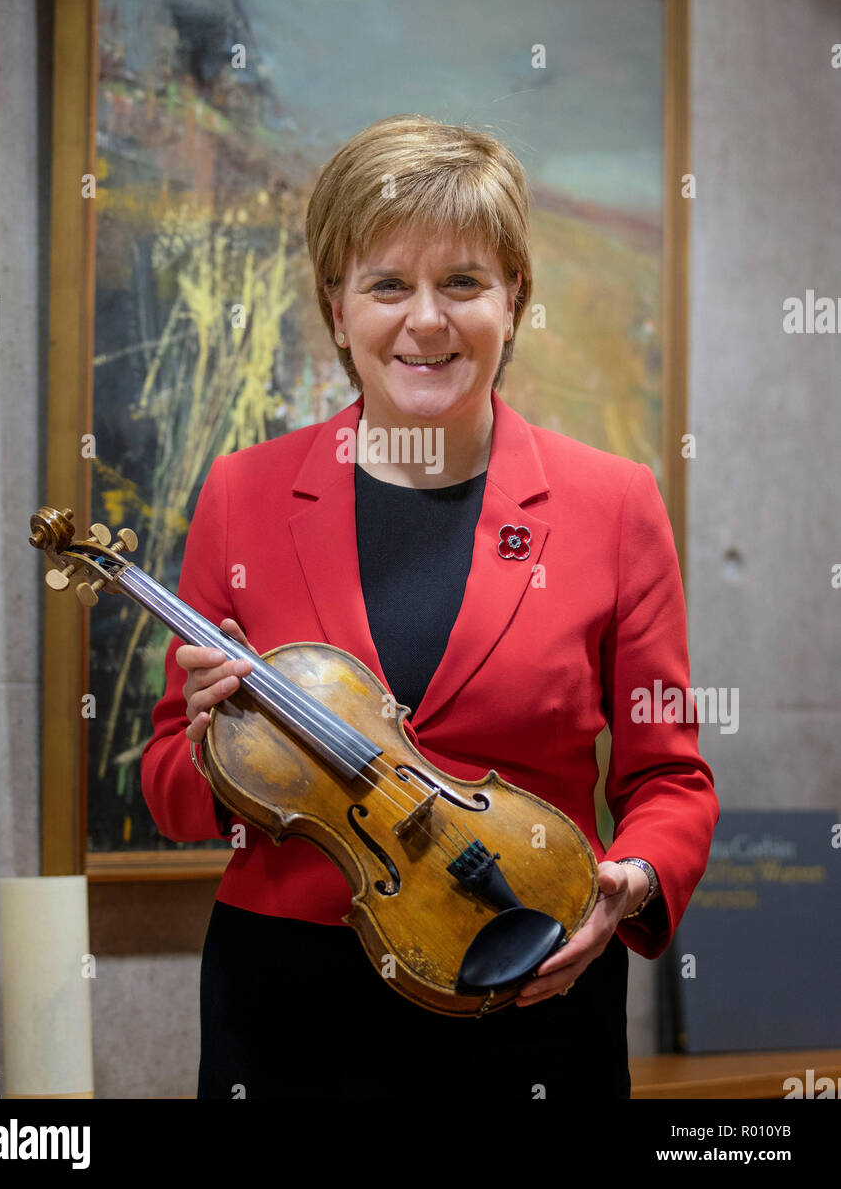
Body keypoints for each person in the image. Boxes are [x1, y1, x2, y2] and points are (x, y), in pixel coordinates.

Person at [142, 113, 719, 1101]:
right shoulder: (241, 491)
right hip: (287, 1008)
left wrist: (624, 881)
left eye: (461, 282)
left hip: (528, 984)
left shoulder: (613, 504)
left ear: (512, 301)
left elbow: (668, 778)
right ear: (336, 308)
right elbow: (171, 790)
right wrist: (203, 744)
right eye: (385, 284)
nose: (425, 320)